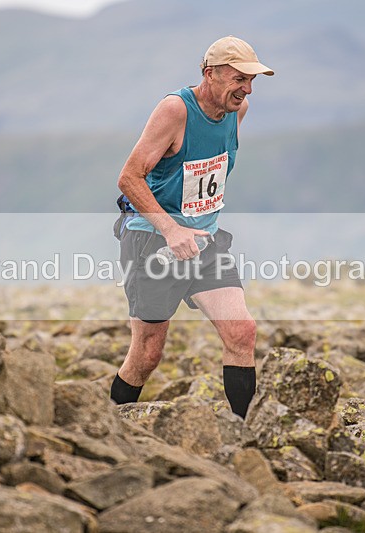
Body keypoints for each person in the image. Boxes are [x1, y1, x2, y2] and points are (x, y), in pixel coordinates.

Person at [110, 35, 274, 419]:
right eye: (238, 79)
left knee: (242, 332)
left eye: (252, 81)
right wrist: (172, 230)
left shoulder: (238, 110)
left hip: (205, 242)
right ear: (210, 74)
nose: (247, 89)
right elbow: (129, 178)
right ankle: (109, 427)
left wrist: (193, 228)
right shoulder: (175, 110)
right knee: (147, 354)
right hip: (152, 241)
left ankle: (245, 435)